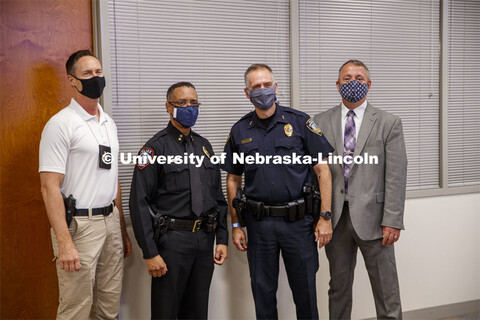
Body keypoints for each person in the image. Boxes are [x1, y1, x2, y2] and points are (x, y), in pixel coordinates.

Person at [222, 64, 334, 319]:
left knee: (305, 292)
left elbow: (323, 171)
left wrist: (325, 217)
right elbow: (232, 180)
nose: (263, 90)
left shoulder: (300, 121)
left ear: (276, 86)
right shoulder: (240, 130)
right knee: (262, 293)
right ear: (246, 92)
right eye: (256, 87)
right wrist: (236, 224)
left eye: (266, 84)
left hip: (299, 223)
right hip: (260, 224)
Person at [39, 50, 131, 319]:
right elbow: (48, 187)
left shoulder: (109, 123)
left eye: (98, 72)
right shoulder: (61, 124)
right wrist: (64, 242)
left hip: (110, 222)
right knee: (76, 308)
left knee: (108, 307)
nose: (95, 78)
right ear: (72, 81)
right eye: (87, 73)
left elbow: (112, 178)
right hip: (79, 228)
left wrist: (121, 228)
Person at [313, 59, 407, 319]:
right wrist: (321, 216)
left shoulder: (389, 122)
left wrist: (393, 220)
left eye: (359, 78)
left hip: (377, 222)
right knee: (338, 289)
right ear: (337, 84)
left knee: (386, 291)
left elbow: (396, 175)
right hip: (336, 220)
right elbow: (315, 174)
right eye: (347, 78)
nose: (353, 82)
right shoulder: (319, 122)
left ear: (369, 84)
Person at [129, 81, 228, 319]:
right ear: (168, 107)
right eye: (182, 102)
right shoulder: (154, 149)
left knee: (197, 312)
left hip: (204, 241)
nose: (189, 107)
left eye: (194, 102)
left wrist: (222, 238)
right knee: (166, 312)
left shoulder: (204, 147)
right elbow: (138, 202)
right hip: (171, 243)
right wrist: (150, 253)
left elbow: (218, 197)